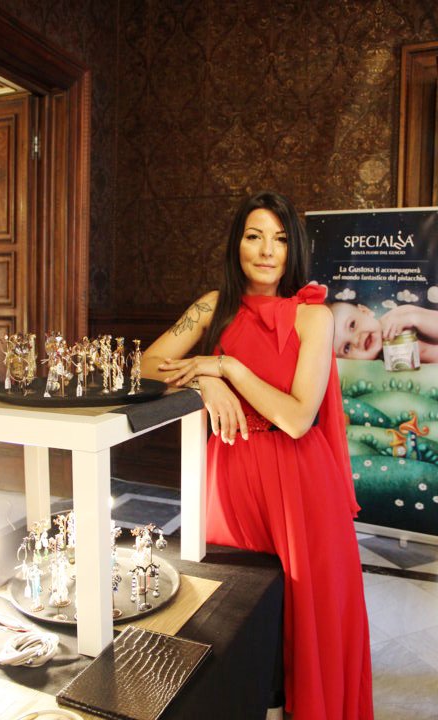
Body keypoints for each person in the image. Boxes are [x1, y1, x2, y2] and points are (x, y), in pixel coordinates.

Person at [141, 191, 374, 720]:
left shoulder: (315, 316)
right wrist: (203, 381)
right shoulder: (210, 306)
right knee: (234, 610)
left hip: (301, 483)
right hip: (229, 475)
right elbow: (147, 365)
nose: (267, 250)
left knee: (306, 616)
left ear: (294, 249)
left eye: (281, 239)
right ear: (237, 244)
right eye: (254, 236)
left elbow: (297, 417)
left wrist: (227, 368)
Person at [331, 301, 438, 362]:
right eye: (347, 348)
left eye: (352, 325)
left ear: (365, 311)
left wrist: (414, 319)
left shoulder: (399, 316)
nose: (356, 340)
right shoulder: (378, 368)